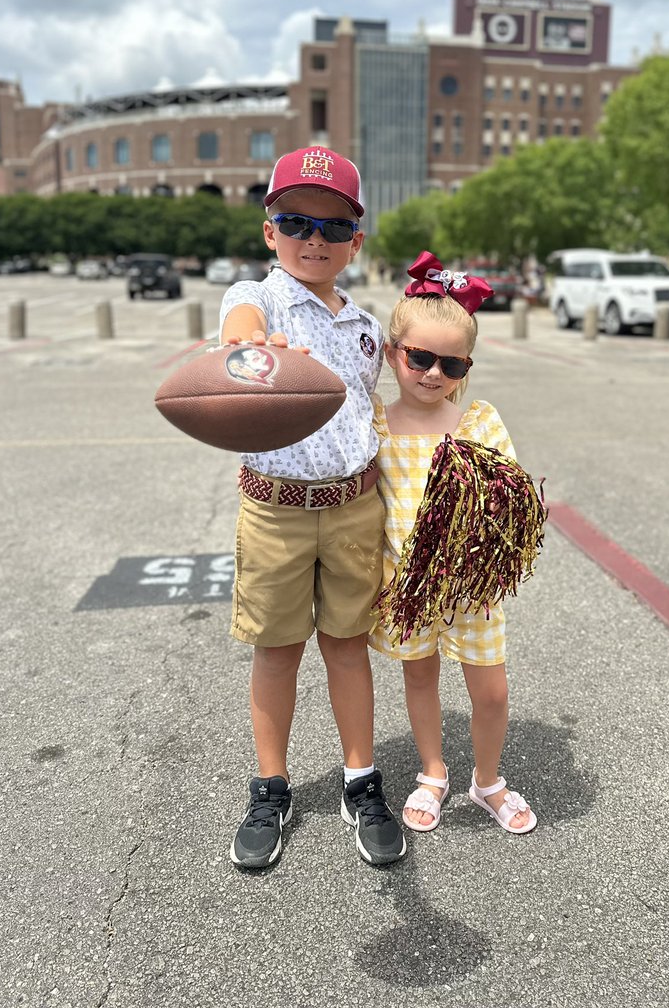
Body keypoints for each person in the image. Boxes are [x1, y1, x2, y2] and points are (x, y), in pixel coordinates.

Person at [218, 145, 406, 869]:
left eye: (333, 228)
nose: (314, 240)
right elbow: (237, 331)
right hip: (277, 509)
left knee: (348, 644)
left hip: (356, 506)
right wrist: (247, 346)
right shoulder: (259, 300)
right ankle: (271, 785)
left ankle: (361, 779)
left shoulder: (364, 328)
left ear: (356, 243)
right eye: (296, 221)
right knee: (276, 647)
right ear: (270, 230)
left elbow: (377, 406)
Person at [368, 252, 538, 835]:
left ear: (466, 368)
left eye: (451, 363)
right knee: (419, 677)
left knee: (490, 690)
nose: (433, 373)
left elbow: (508, 495)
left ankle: (487, 779)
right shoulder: (376, 424)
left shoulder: (477, 423)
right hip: (408, 587)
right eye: (419, 357)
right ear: (394, 353)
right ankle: (434, 771)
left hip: (473, 588)